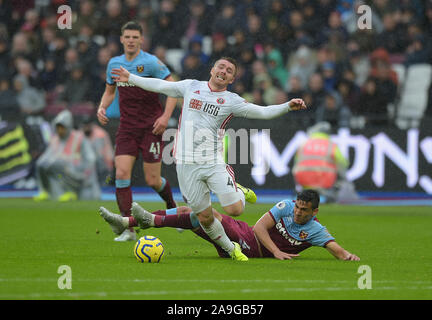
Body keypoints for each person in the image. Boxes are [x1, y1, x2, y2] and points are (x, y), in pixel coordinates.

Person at [110, 56, 307, 261]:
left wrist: (286, 106)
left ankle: (238, 190)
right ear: (212, 70)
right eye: (221, 67)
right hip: (186, 165)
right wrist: (130, 77)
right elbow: (160, 85)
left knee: (235, 209)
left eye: (229, 70)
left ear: (231, 79)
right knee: (204, 217)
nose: (223, 71)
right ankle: (232, 251)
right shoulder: (191, 87)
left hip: (212, 162)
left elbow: (263, 113)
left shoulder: (232, 101)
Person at [98, 189, 360, 261]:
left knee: (203, 212)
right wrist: (277, 251)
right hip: (247, 235)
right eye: (298, 207)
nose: (299, 212)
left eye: (305, 211)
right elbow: (259, 227)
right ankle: (125, 222)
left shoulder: (315, 230)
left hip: (249, 249)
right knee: (192, 211)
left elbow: (335, 248)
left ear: (315, 212)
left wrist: (347, 255)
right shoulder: (286, 206)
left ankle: (147, 221)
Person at [96, 21, 177, 242]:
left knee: (152, 180)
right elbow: (110, 91)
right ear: (121, 39)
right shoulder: (114, 63)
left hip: (152, 127)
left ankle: (172, 208)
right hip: (127, 128)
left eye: (135, 37)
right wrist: (102, 106)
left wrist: (165, 117)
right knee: (121, 174)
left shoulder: (151, 63)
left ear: (141, 39)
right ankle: (128, 229)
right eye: (127, 37)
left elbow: (173, 89)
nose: (131, 40)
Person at [33, 109, 100, 202]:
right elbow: (45, 158)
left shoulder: (79, 138)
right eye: (58, 127)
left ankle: (70, 191)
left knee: (59, 164)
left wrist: (84, 173)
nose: (60, 130)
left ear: (68, 126)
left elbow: (91, 158)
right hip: (60, 172)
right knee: (41, 164)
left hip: (78, 173)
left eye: (62, 127)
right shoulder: (55, 139)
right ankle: (45, 191)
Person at [292, 122, 358, 203]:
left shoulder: (304, 144)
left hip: (303, 180)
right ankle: (330, 195)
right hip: (324, 180)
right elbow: (343, 163)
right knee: (340, 174)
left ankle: (300, 192)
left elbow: (296, 162)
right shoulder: (331, 145)